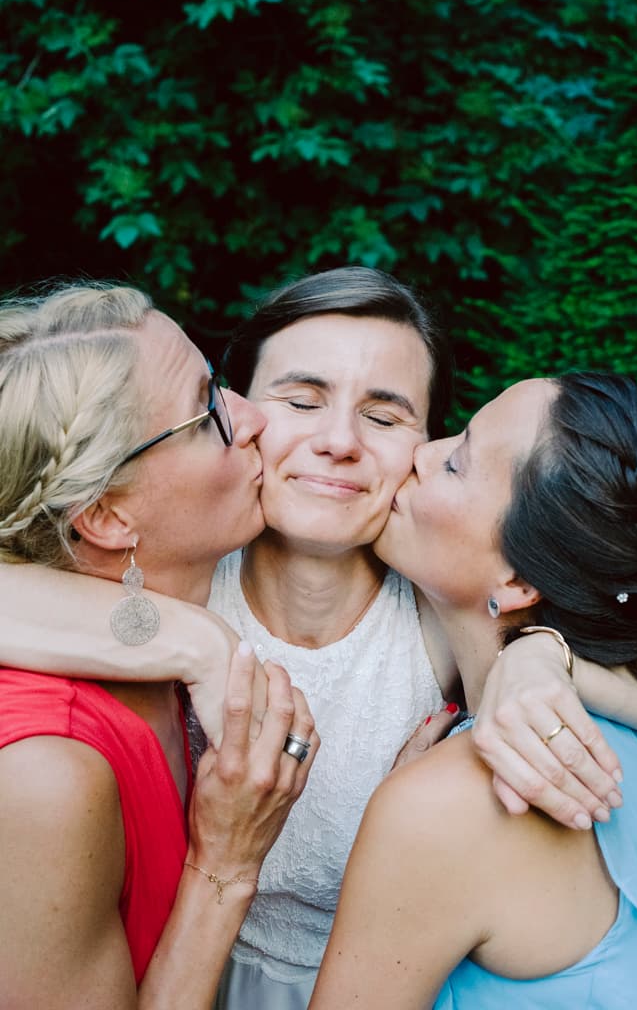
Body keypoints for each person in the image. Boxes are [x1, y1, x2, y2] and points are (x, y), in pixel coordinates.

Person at [1, 271, 637, 1008]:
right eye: (297, 401)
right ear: (253, 413)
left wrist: (541, 654)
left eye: (387, 418)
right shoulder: (178, 572)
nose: (338, 442)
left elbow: (618, 602)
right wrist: (191, 638)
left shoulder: (442, 605)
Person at [310, 373, 637, 1009]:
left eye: (455, 463)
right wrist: (546, 654)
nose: (421, 454)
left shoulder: (451, 803)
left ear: (517, 583)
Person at [0, 282, 319, 1009]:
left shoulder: (166, 651)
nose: (254, 416)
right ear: (108, 515)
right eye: (209, 412)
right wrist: (227, 865)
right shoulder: (47, 775)